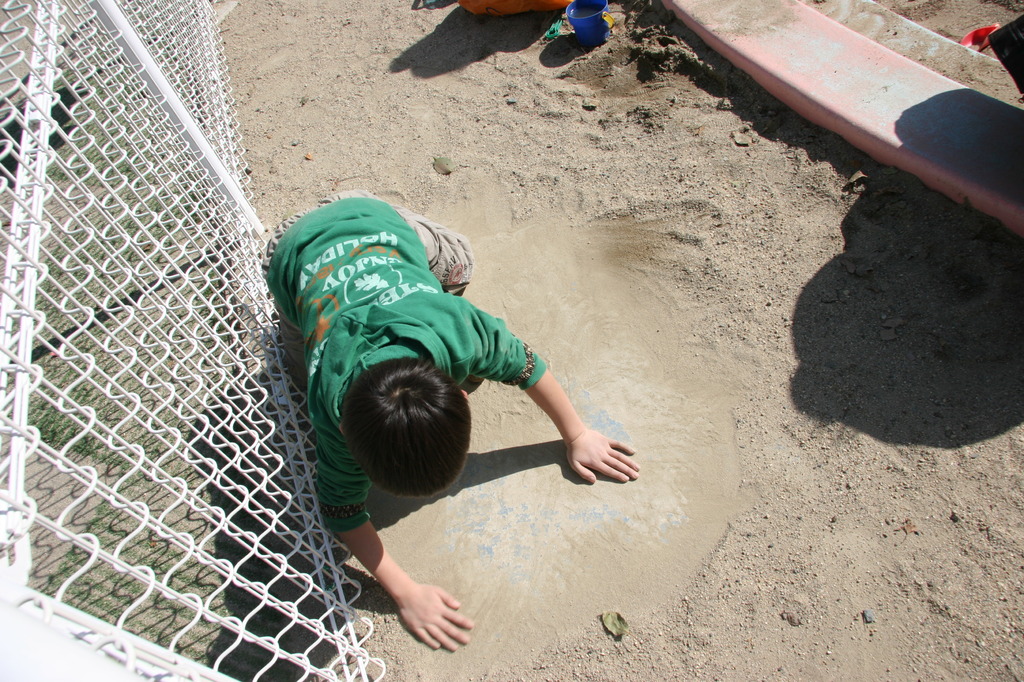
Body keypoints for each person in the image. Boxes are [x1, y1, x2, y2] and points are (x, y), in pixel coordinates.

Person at [264, 191, 639, 651]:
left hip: (374, 231)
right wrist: (404, 591)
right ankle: (311, 273)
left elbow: (527, 365)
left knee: (460, 264)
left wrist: (577, 433)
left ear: (461, 390)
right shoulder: (328, 406)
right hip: (296, 256)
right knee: (297, 366)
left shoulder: (459, 328)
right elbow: (340, 510)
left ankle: (358, 234)